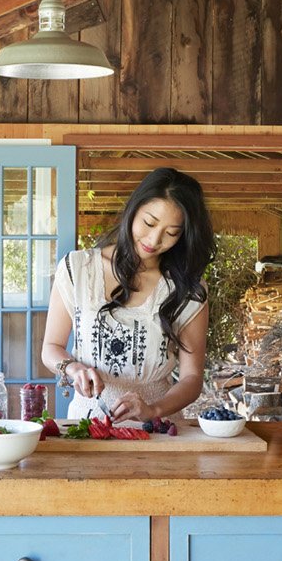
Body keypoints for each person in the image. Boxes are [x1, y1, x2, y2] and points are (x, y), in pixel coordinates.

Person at [41, 167, 215, 422]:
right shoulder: (78, 270)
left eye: (171, 233)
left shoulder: (188, 288)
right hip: (87, 424)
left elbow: (192, 378)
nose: (154, 239)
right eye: (149, 223)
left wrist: (153, 410)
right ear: (134, 210)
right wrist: (72, 368)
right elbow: (51, 348)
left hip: (159, 428)